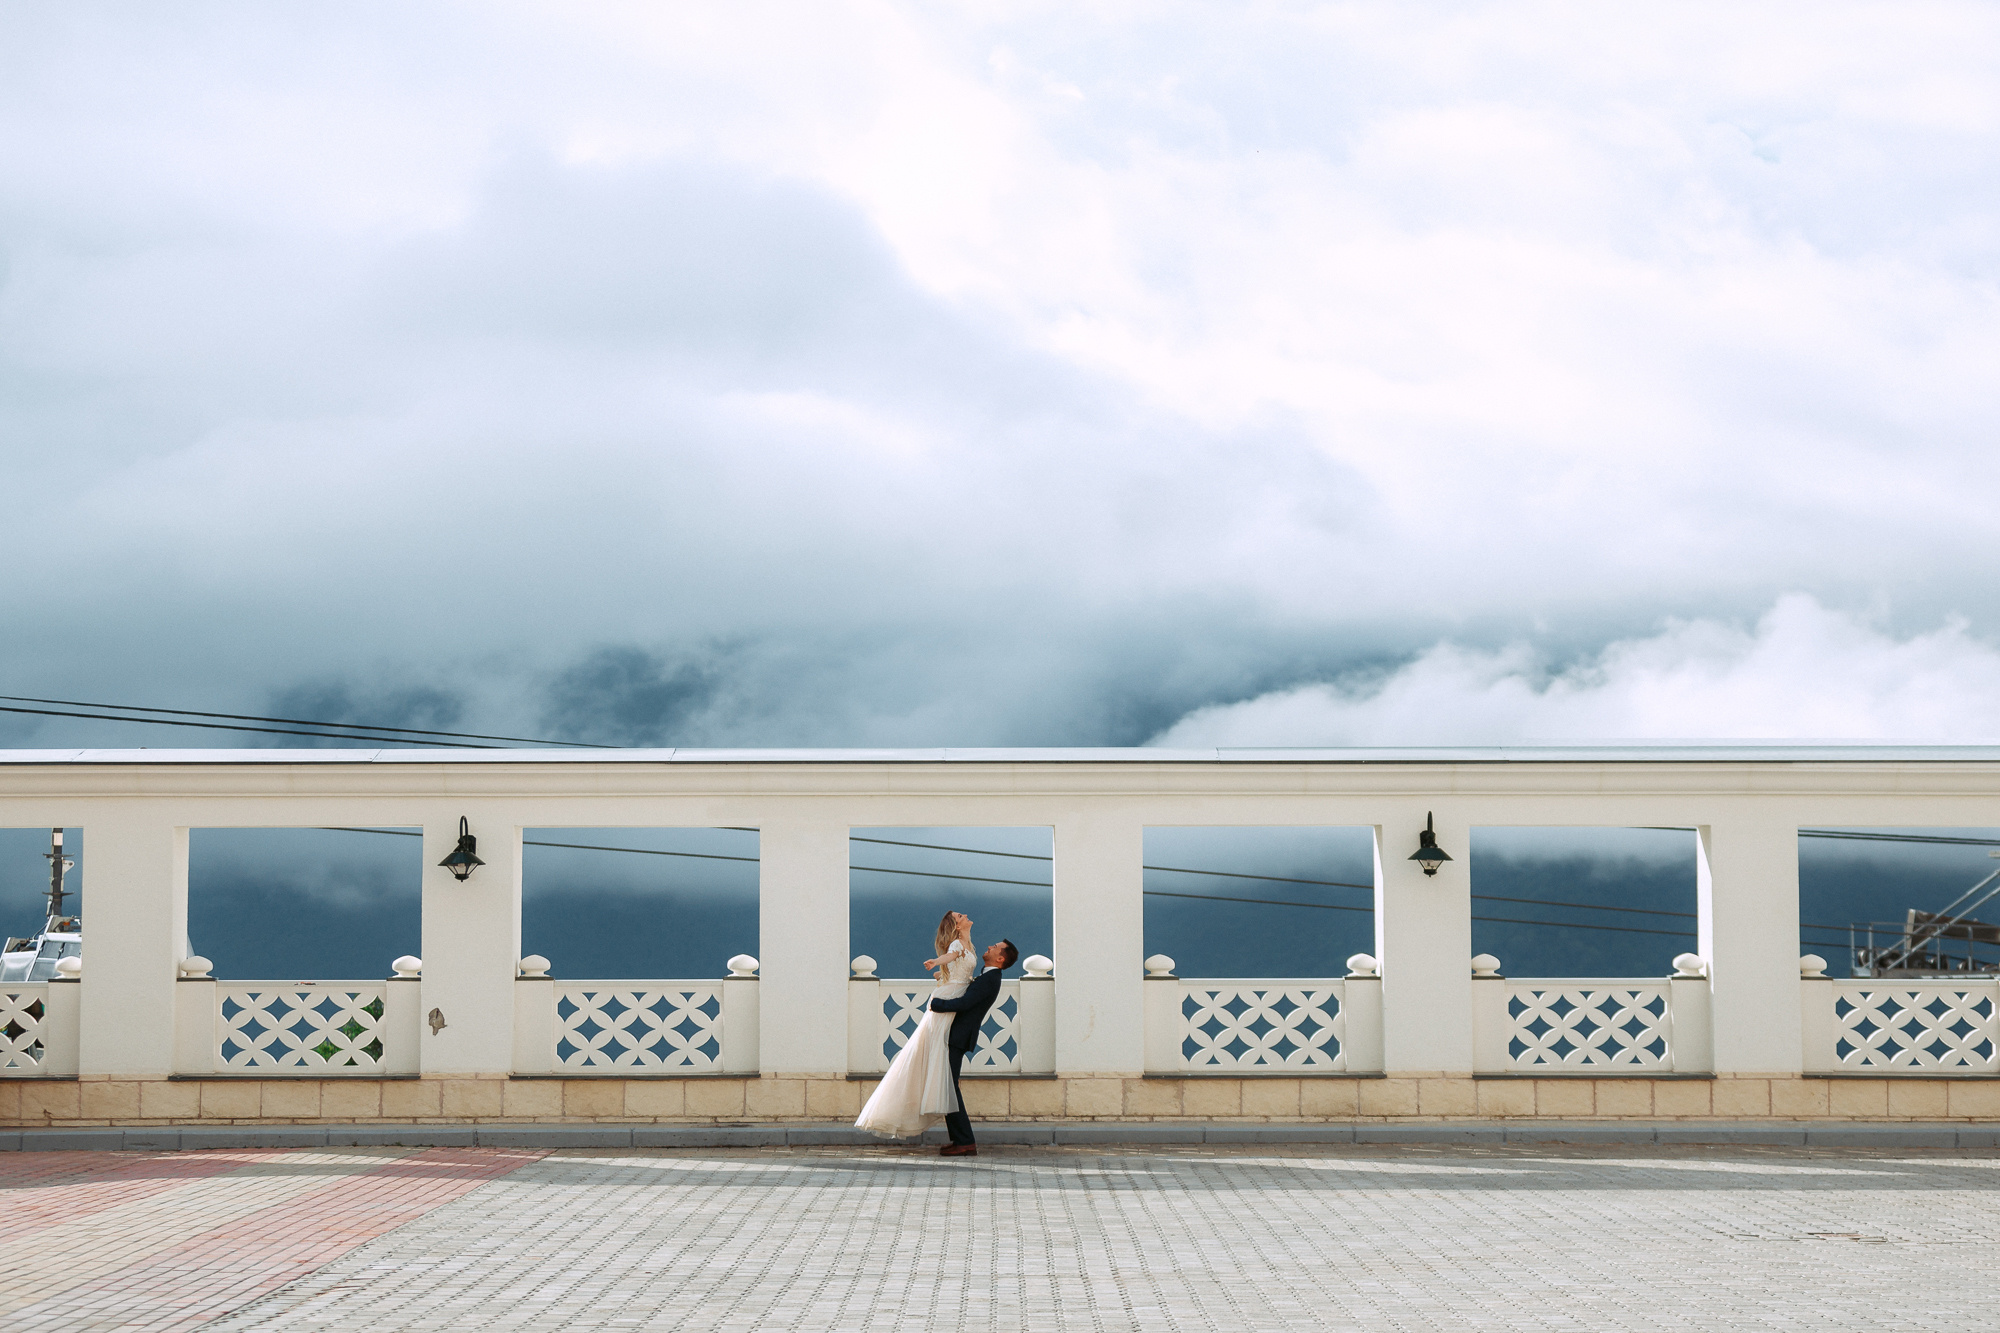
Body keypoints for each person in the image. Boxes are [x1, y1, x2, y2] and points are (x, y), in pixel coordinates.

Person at [854, 910, 977, 1139]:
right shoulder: (958, 944)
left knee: (938, 1048)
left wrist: (944, 977)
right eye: (960, 916)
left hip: (955, 992)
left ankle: (940, 1089)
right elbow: (949, 957)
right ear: (957, 926)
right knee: (935, 1047)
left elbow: (957, 968)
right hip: (949, 998)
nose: (966, 915)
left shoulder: (968, 943)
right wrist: (936, 963)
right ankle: (935, 1091)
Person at [926, 937, 1017, 1157]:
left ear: (1000, 958)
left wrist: (937, 1004)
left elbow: (965, 1003)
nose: (989, 947)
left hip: (959, 1036)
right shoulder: (988, 976)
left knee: (950, 1088)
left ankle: (965, 1142)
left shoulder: (991, 979)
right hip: (958, 1035)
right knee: (950, 1086)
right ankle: (960, 1139)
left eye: (994, 947)